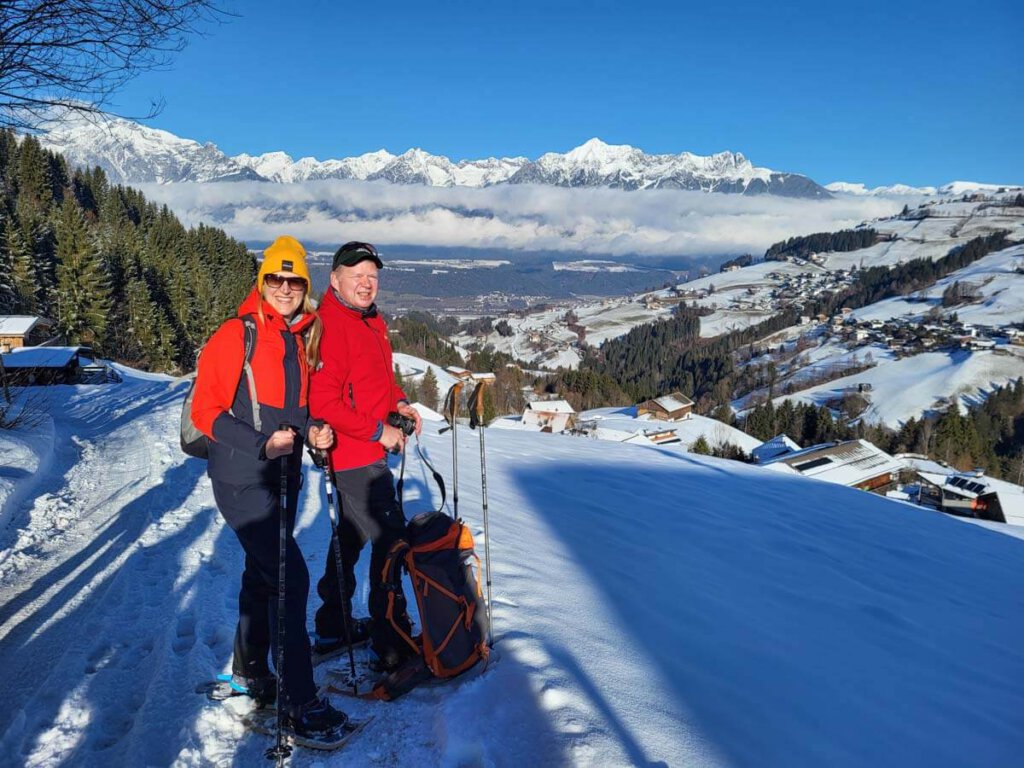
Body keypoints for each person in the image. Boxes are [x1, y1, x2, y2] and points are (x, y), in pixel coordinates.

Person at [191, 235, 348, 737]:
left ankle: (251, 672)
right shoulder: (236, 334)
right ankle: (298, 703)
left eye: (294, 280)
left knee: (263, 575)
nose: (284, 288)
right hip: (241, 478)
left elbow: (296, 412)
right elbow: (206, 410)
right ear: (262, 283)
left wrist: (314, 431)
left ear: (305, 286)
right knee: (289, 578)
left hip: (283, 476)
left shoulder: (299, 336)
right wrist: (262, 445)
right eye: (275, 279)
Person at [309, 240, 422, 671]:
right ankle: (390, 641)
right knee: (391, 541)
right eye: (356, 275)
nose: (366, 283)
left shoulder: (370, 320)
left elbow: (377, 382)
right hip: (352, 454)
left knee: (351, 536)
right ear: (334, 279)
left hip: (367, 449)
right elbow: (325, 402)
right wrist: (380, 431)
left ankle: (333, 624)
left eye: (372, 275)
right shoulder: (331, 326)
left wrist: (401, 402)